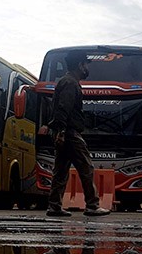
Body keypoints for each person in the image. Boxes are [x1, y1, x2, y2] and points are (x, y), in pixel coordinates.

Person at [46, 49, 110, 217]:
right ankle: (92, 205)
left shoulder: (66, 81)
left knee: (60, 170)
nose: (87, 69)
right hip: (69, 133)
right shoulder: (70, 83)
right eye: (86, 65)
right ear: (80, 65)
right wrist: (61, 130)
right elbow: (63, 108)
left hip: (63, 131)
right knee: (86, 166)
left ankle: (54, 206)